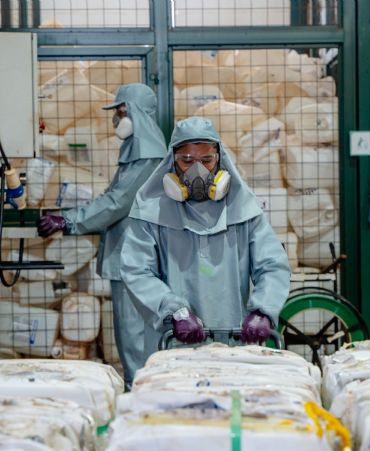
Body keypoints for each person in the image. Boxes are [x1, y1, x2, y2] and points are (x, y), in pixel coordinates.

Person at [120, 116, 290, 357]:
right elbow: (136, 270)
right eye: (187, 160)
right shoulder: (151, 210)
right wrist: (172, 310)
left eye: (206, 160)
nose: (197, 170)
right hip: (172, 342)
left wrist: (264, 309)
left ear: (219, 159)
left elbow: (273, 265)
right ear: (172, 161)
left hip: (232, 342)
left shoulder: (243, 209)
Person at [36, 83, 166, 387]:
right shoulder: (139, 149)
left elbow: (118, 202)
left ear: (136, 112)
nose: (116, 118)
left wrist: (68, 220)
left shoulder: (146, 154)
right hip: (134, 255)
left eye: (121, 111)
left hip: (136, 259)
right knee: (133, 336)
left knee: (135, 339)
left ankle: (141, 395)